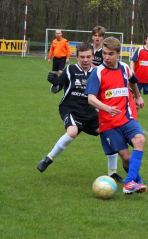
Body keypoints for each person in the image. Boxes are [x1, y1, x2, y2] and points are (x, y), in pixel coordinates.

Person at [37, 42, 124, 183]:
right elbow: (55, 90)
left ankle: (112, 173)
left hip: (90, 111)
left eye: (88, 57)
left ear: (93, 56)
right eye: (82, 57)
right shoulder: (70, 69)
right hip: (70, 108)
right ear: (76, 57)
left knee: (109, 133)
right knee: (72, 132)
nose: (85, 60)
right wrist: (54, 83)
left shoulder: (98, 72)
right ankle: (48, 159)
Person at [85, 37, 147, 194]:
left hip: (127, 117)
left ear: (119, 53)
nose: (106, 57)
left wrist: (138, 96)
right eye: (104, 53)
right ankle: (136, 181)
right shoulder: (98, 72)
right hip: (108, 123)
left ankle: (128, 183)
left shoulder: (125, 68)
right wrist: (107, 108)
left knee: (140, 139)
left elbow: (133, 80)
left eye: (111, 54)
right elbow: (90, 98)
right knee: (126, 157)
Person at [91, 25, 121, 181]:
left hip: (104, 99)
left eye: (99, 35)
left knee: (111, 134)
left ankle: (113, 172)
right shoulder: (89, 51)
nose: (97, 37)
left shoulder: (107, 55)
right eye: (95, 35)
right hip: (90, 98)